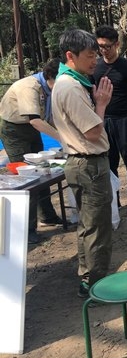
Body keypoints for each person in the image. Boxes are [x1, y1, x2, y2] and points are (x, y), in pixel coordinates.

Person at [51, 29, 113, 298]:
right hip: (88, 164)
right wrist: (101, 104)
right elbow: (93, 132)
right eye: (89, 56)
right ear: (70, 56)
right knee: (97, 227)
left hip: (83, 162)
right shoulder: (71, 87)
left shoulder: (69, 82)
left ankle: (87, 275)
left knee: (88, 225)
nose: (95, 62)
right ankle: (96, 285)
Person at [0, 59, 63, 243]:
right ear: (50, 76)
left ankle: (48, 216)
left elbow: (49, 118)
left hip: (32, 128)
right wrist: (62, 138)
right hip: (14, 130)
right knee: (27, 177)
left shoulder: (50, 90)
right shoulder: (29, 87)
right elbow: (35, 120)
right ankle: (27, 229)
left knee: (43, 171)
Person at [93, 25, 127, 217]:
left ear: (116, 44)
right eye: (100, 46)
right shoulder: (95, 67)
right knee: (109, 163)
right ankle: (114, 200)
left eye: (107, 46)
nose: (104, 50)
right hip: (104, 121)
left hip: (125, 121)